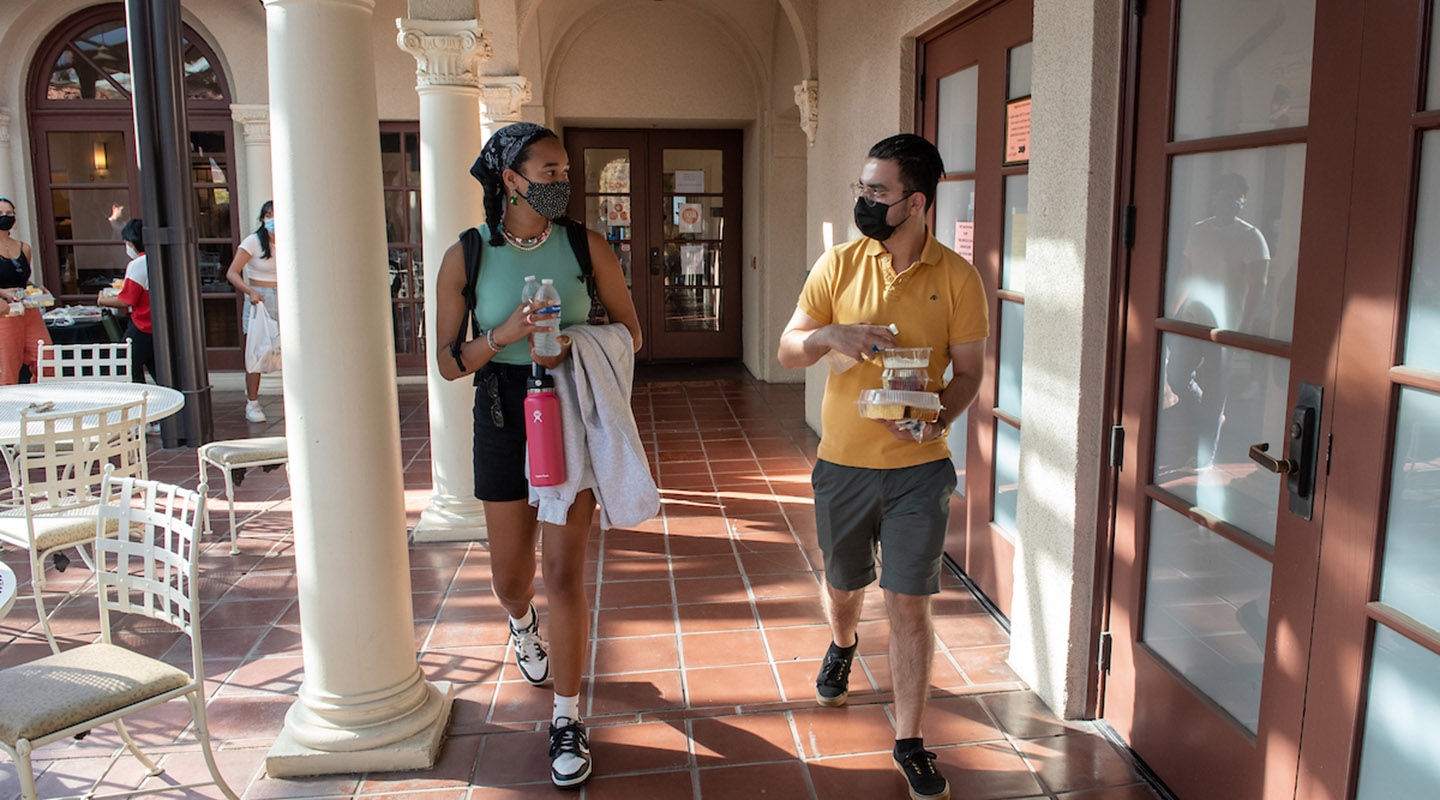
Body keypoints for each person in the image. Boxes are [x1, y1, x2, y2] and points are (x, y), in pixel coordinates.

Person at [777, 133, 988, 800]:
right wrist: (825, 337)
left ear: (916, 202)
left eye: (878, 192)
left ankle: (910, 741)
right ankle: (841, 645)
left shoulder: (957, 277)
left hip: (921, 469)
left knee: (909, 606)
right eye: (862, 189)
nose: (865, 200)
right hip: (843, 466)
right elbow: (787, 349)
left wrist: (935, 417)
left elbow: (971, 372)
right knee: (845, 587)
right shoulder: (838, 264)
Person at [434, 122, 641, 789]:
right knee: (511, 576)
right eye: (547, 172)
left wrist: (573, 343)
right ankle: (521, 626)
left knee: (564, 574)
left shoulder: (586, 244)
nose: (561, 183)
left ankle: (568, 717)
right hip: (500, 411)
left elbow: (631, 333)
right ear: (509, 178)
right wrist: (505, 334)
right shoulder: (467, 255)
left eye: (564, 172)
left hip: (567, 410)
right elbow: (446, 363)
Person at [226, 200, 277, 423]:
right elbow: (232, 272)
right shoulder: (253, 242)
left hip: (283, 295)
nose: (271, 220)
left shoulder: (290, 239)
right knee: (255, 349)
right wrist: (251, 292)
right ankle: (253, 402)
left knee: (285, 347)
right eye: (267, 215)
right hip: (259, 298)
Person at [97, 219, 157, 383]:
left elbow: (126, 300)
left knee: (126, 365)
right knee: (156, 368)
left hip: (142, 323)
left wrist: (102, 300)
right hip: (157, 324)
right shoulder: (159, 259)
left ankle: (139, 398)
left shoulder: (138, 264)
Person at [0, 197, 52, 385]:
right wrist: (4, 293)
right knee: (7, 367)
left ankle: (42, 402)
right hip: (4, 312)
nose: (5, 217)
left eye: (9, 213)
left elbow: (22, 277)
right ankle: (6, 410)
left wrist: (36, 288)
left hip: (28, 309)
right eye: (0, 214)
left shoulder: (24, 248)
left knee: (45, 359)